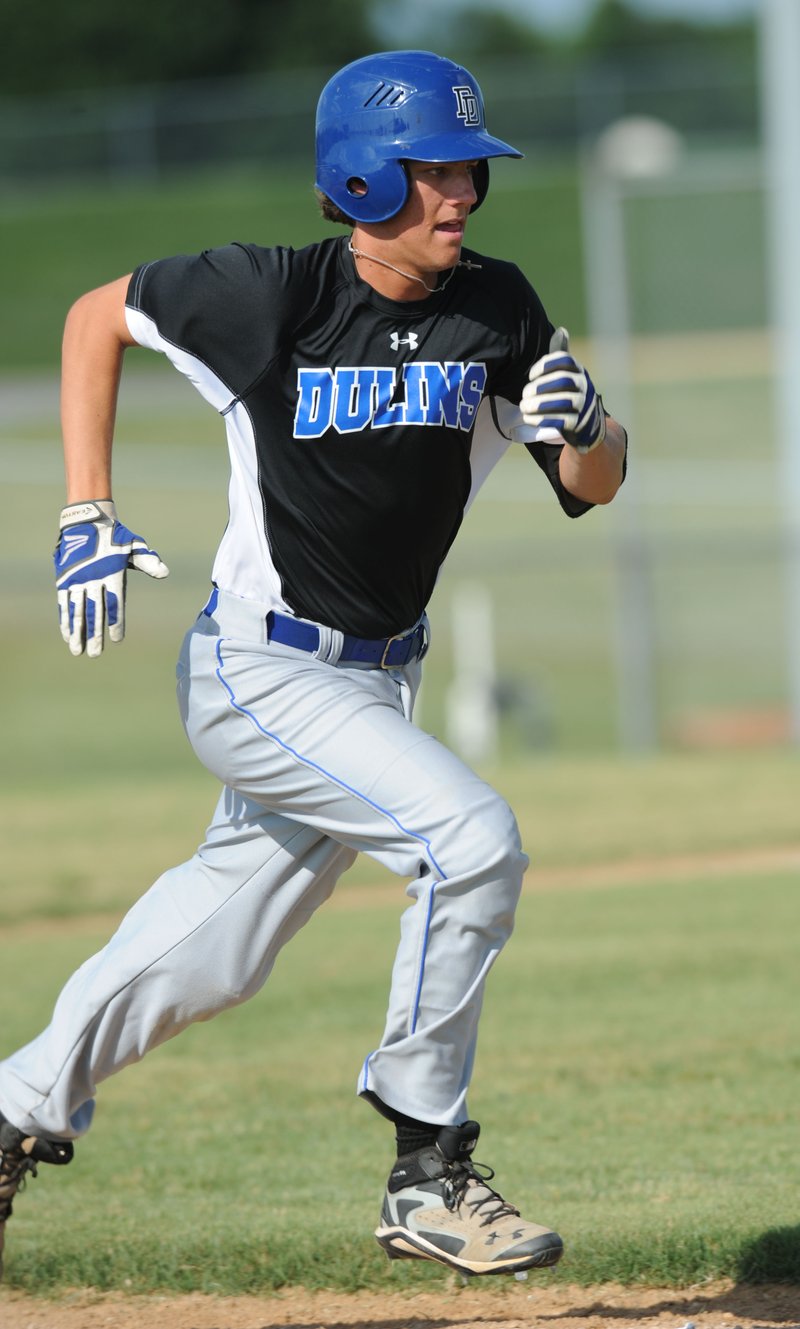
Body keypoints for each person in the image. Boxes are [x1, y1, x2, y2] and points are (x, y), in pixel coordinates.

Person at [0, 49, 626, 1282]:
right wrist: (86, 511)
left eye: (467, 173)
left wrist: (593, 422)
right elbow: (94, 318)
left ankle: (12, 1109)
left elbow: (587, 486)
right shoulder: (267, 293)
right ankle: (427, 1165)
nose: (459, 193)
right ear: (357, 176)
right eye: (432, 169)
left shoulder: (496, 309)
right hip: (259, 669)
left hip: (375, 684)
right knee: (470, 839)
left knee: (216, 945)